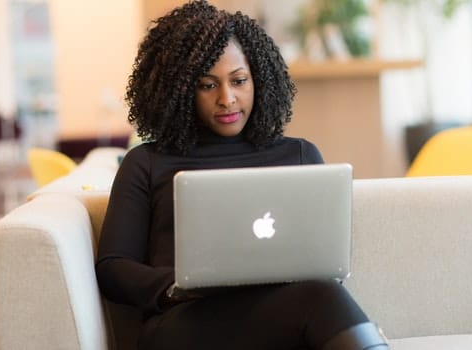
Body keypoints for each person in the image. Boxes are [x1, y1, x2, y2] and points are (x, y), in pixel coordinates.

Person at [96, 1, 390, 349]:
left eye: (239, 81)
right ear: (180, 90)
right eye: (208, 85)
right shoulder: (146, 162)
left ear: (259, 80)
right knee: (322, 301)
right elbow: (113, 268)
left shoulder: (299, 155)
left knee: (322, 295)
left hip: (284, 315)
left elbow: (320, 256)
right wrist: (176, 286)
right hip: (185, 323)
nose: (227, 99)